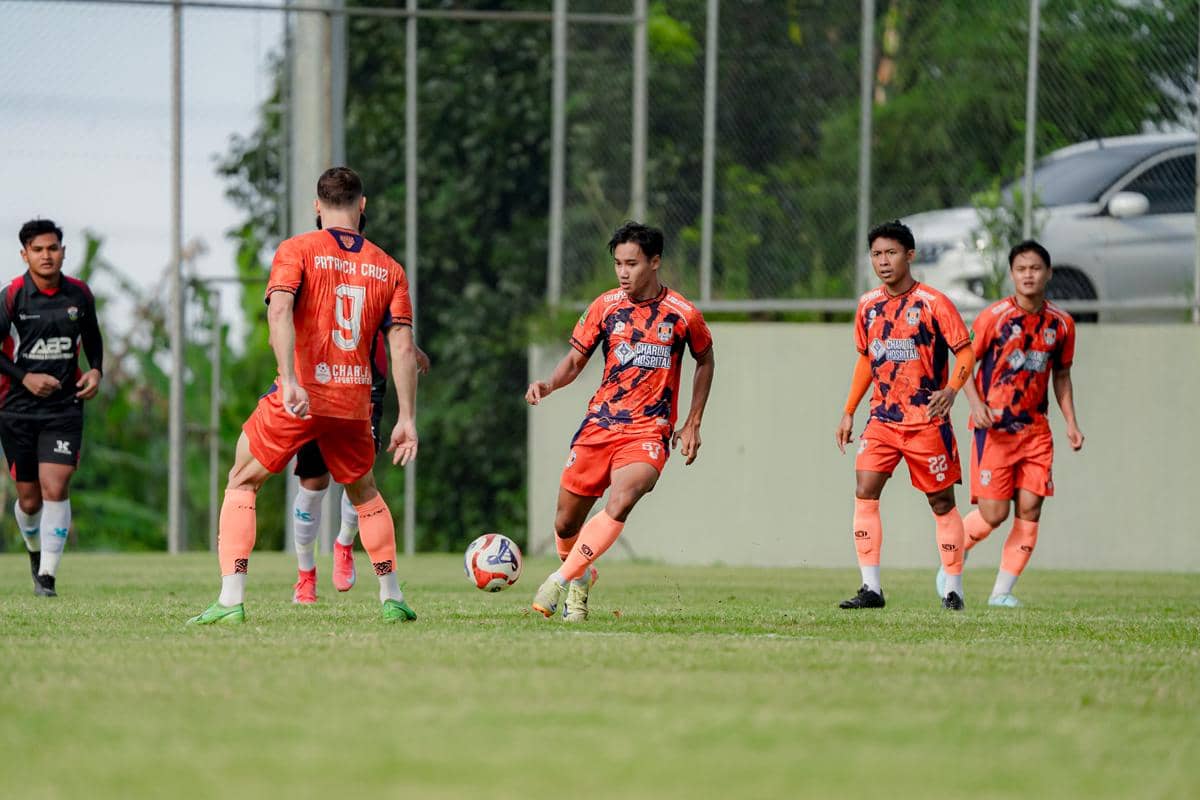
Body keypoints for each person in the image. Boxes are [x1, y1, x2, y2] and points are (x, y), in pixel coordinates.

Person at [188, 166, 420, 625]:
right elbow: (402, 347)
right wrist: (407, 417)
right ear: (362, 205)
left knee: (242, 480)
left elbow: (279, 310)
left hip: (301, 396)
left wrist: (289, 379)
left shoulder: (296, 249)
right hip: (354, 403)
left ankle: (231, 600)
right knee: (365, 492)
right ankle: (391, 597)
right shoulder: (389, 267)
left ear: (317, 206)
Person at [526, 221, 715, 621]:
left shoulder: (682, 314)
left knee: (622, 499)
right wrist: (549, 384)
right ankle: (580, 579)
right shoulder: (606, 306)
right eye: (618, 264)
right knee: (565, 522)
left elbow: (705, 359)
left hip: (649, 429)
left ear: (655, 262)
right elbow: (576, 360)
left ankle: (560, 580)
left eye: (632, 263)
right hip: (601, 425)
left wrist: (694, 421)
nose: (623, 272)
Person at [836, 220, 975, 611]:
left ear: (909, 255)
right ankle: (871, 589)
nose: (883, 261)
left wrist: (951, 390)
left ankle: (953, 588)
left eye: (891, 253)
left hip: (926, 421)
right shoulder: (868, 305)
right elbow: (867, 359)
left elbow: (965, 351)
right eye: (877, 254)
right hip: (882, 419)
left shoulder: (933, 303)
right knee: (865, 490)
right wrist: (848, 411)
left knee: (941, 502)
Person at [939, 239, 1084, 607]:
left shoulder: (1061, 325)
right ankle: (953, 559)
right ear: (1012, 274)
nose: (1029, 275)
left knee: (1031, 509)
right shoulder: (994, 317)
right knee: (994, 514)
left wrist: (1071, 423)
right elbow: (965, 362)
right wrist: (975, 403)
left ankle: (1001, 593)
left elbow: (1062, 376)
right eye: (1021, 269)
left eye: (1035, 268)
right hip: (995, 432)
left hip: (1036, 432)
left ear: (1048, 273)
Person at [0, 219, 103, 597]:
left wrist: (96, 370)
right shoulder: (12, 295)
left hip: (64, 406)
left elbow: (93, 339)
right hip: (15, 409)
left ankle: (47, 577)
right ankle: (33, 550)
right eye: (38, 249)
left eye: (53, 248)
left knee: (55, 485)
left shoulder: (79, 295)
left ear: (63, 251)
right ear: (25, 254)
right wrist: (24, 377)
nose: (47, 255)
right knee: (28, 500)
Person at [289, 331, 428, 604]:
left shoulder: (376, 286)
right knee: (313, 483)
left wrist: (409, 347)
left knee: (358, 477)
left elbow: (389, 321)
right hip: (318, 382)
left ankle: (344, 542)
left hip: (365, 387)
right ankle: (305, 576)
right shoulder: (312, 288)